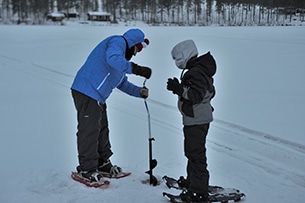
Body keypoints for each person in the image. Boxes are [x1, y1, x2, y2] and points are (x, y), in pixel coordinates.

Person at [71, 28, 152, 183]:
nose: (136, 53)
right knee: (89, 131)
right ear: (132, 43)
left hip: (97, 97)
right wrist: (136, 69)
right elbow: (112, 59)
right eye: (137, 48)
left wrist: (139, 92)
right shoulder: (117, 42)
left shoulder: (121, 62)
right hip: (86, 90)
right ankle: (86, 169)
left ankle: (102, 163)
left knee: (102, 128)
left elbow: (122, 83)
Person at [166, 40, 216, 202]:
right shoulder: (198, 70)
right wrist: (180, 88)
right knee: (192, 152)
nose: (176, 62)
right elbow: (205, 91)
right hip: (196, 119)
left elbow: (195, 96)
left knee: (196, 155)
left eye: (176, 58)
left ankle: (199, 192)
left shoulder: (195, 72)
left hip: (197, 120)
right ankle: (193, 182)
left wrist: (178, 89)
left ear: (184, 55)